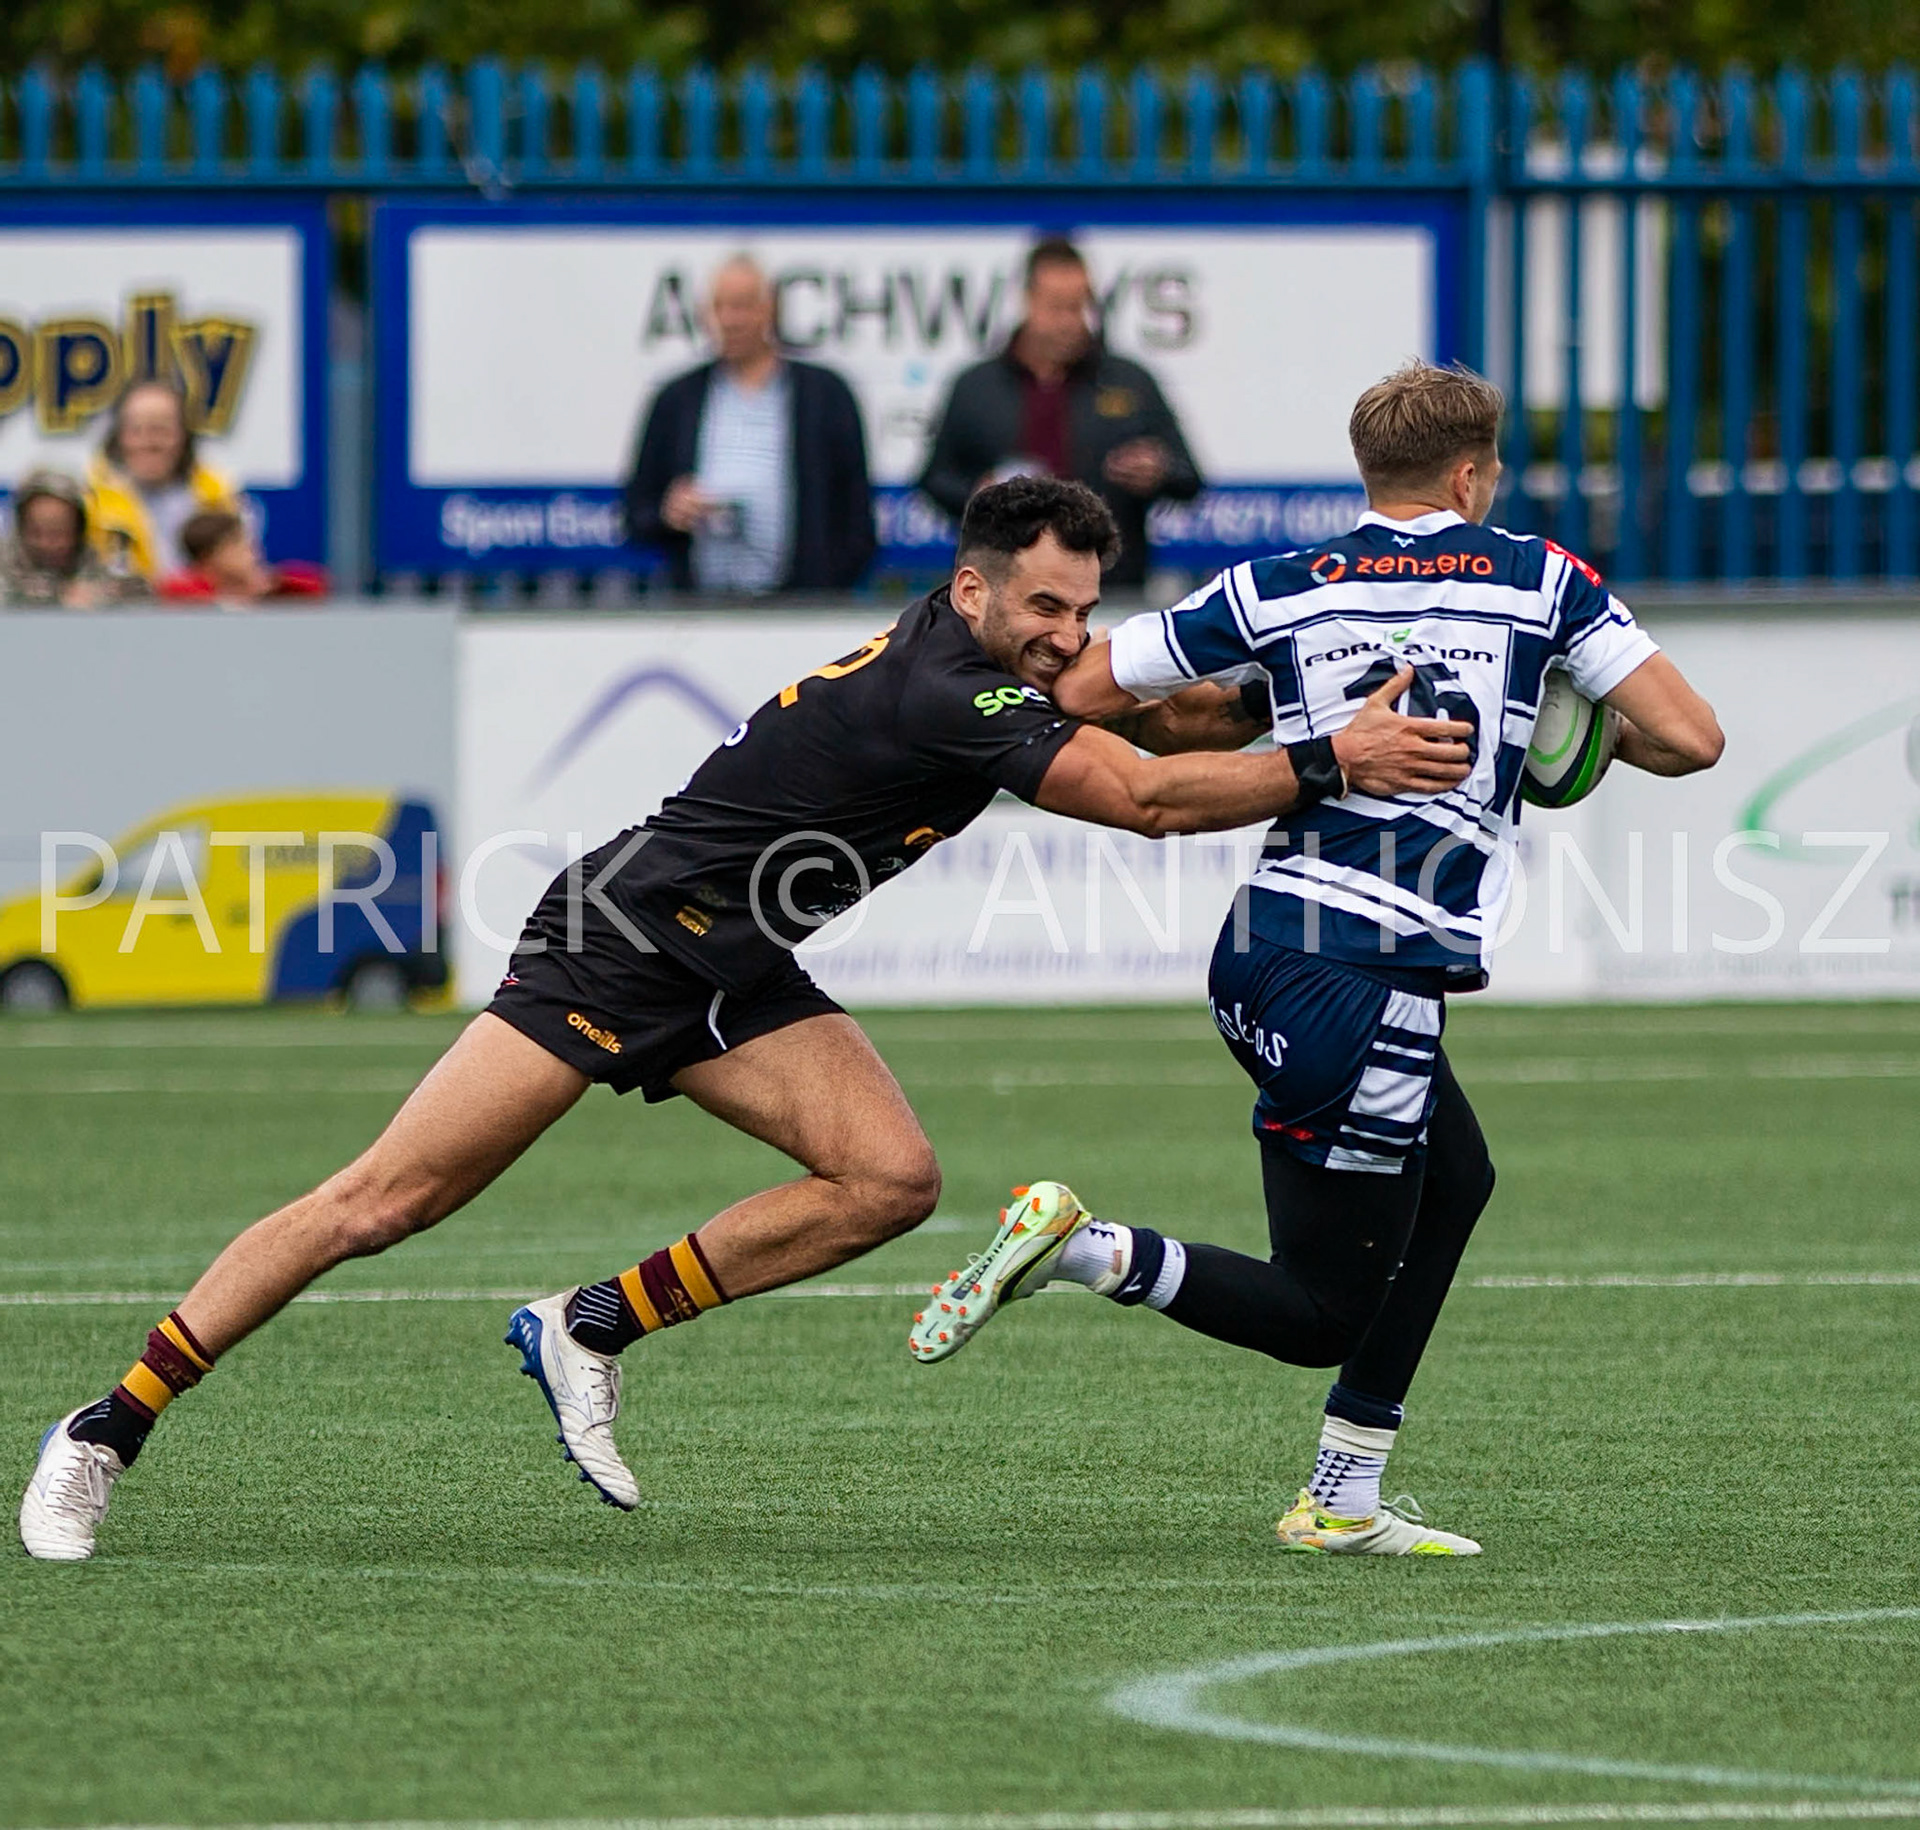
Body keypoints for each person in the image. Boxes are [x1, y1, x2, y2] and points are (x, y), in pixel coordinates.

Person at [19, 475, 1476, 1561]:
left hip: (736, 964)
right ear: (972, 592)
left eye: (1085, 610)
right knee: (378, 1203)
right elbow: (1149, 798)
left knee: (888, 1180)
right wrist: (1333, 757)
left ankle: (587, 1323)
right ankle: (105, 1427)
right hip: (615, 945)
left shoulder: (987, 666)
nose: (1070, 635)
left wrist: (1319, 693)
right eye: (1046, 608)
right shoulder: (947, 690)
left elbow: (1164, 723)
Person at [907, 362, 1726, 1556]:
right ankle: (1085, 1248)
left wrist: (1271, 702)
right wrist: (1568, 734)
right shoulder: (1543, 580)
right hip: (1366, 978)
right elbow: (1693, 738)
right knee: (1318, 1312)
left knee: (1457, 1179)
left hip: (1269, 949)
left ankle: (1346, 1496)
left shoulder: (1283, 584)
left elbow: (1078, 685)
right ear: (1472, 475)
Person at [918, 237, 1202, 590]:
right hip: (1003, 592)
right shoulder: (976, 386)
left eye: (1079, 306)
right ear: (1028, 301)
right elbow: (934, 479)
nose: (1070, 321)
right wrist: (980, 494)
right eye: (1057, 307)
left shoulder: (1130, 382)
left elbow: (1189, 477)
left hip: (1108, 590)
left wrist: (1158, 471)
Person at [624, 254, 875, 594]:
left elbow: (856, 515)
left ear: (769, 309)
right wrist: (669, 512)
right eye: (719, 308)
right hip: (701, 605)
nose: (730, 320)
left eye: (741, 306)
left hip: (800, 604)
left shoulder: (824, 396)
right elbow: (636, 511)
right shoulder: (678, 399)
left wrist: (824, 588)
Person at [87, 380, 248, 586]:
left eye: (161, 429)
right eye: (136, 430)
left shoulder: (219, 499)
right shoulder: (91, 503)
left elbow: (244, 577)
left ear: (184, 435)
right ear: (119, 437)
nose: (149, 442)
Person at [1, 469, 135, 608]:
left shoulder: (99, 570)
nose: (46, 543)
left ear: (78, 530)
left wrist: (97, 600)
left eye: (58, 533)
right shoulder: (4, 568)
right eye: (36, 533)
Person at [158, 509, 328, 604]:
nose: (251, 551)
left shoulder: (274, 585)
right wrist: (237, 598)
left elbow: (320, 585)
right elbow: (174, 590)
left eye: (249, 542)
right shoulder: (185, 593)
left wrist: (274, 583)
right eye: (236, 544)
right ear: (208, 556)